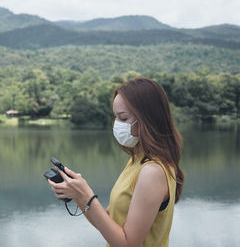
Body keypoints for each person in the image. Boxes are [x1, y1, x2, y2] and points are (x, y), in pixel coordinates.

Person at [48, 77, 184, 247]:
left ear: (147, 120)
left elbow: (128, 244)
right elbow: (106, 223)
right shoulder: (136, 162)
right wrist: (78, 194)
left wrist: (86, 196)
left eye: (123, 118)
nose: (116, 124)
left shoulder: (153, 171)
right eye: (115, 117)